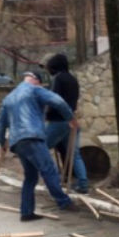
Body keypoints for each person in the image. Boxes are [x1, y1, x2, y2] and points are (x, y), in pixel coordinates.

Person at [0, 71, 79, 221]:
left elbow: (1, 124)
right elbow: (58, 101)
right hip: (33, 136)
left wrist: (2, 142)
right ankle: (64, 202)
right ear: (36, 80)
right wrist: (70, 118)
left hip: (17, 142)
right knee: (49, 169)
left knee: (31, 177)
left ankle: (27, 212)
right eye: (40, 83)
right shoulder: (34, 89)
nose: (41, 86)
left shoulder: (8, 98)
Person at [44, 53, 89, 194]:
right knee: (75, 154)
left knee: (41, 148)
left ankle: (55, 178)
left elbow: (55, 100)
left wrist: (46, 113)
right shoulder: (73, 79)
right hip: (72, 120)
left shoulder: (58, 79)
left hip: (59, 121)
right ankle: (83, 183)